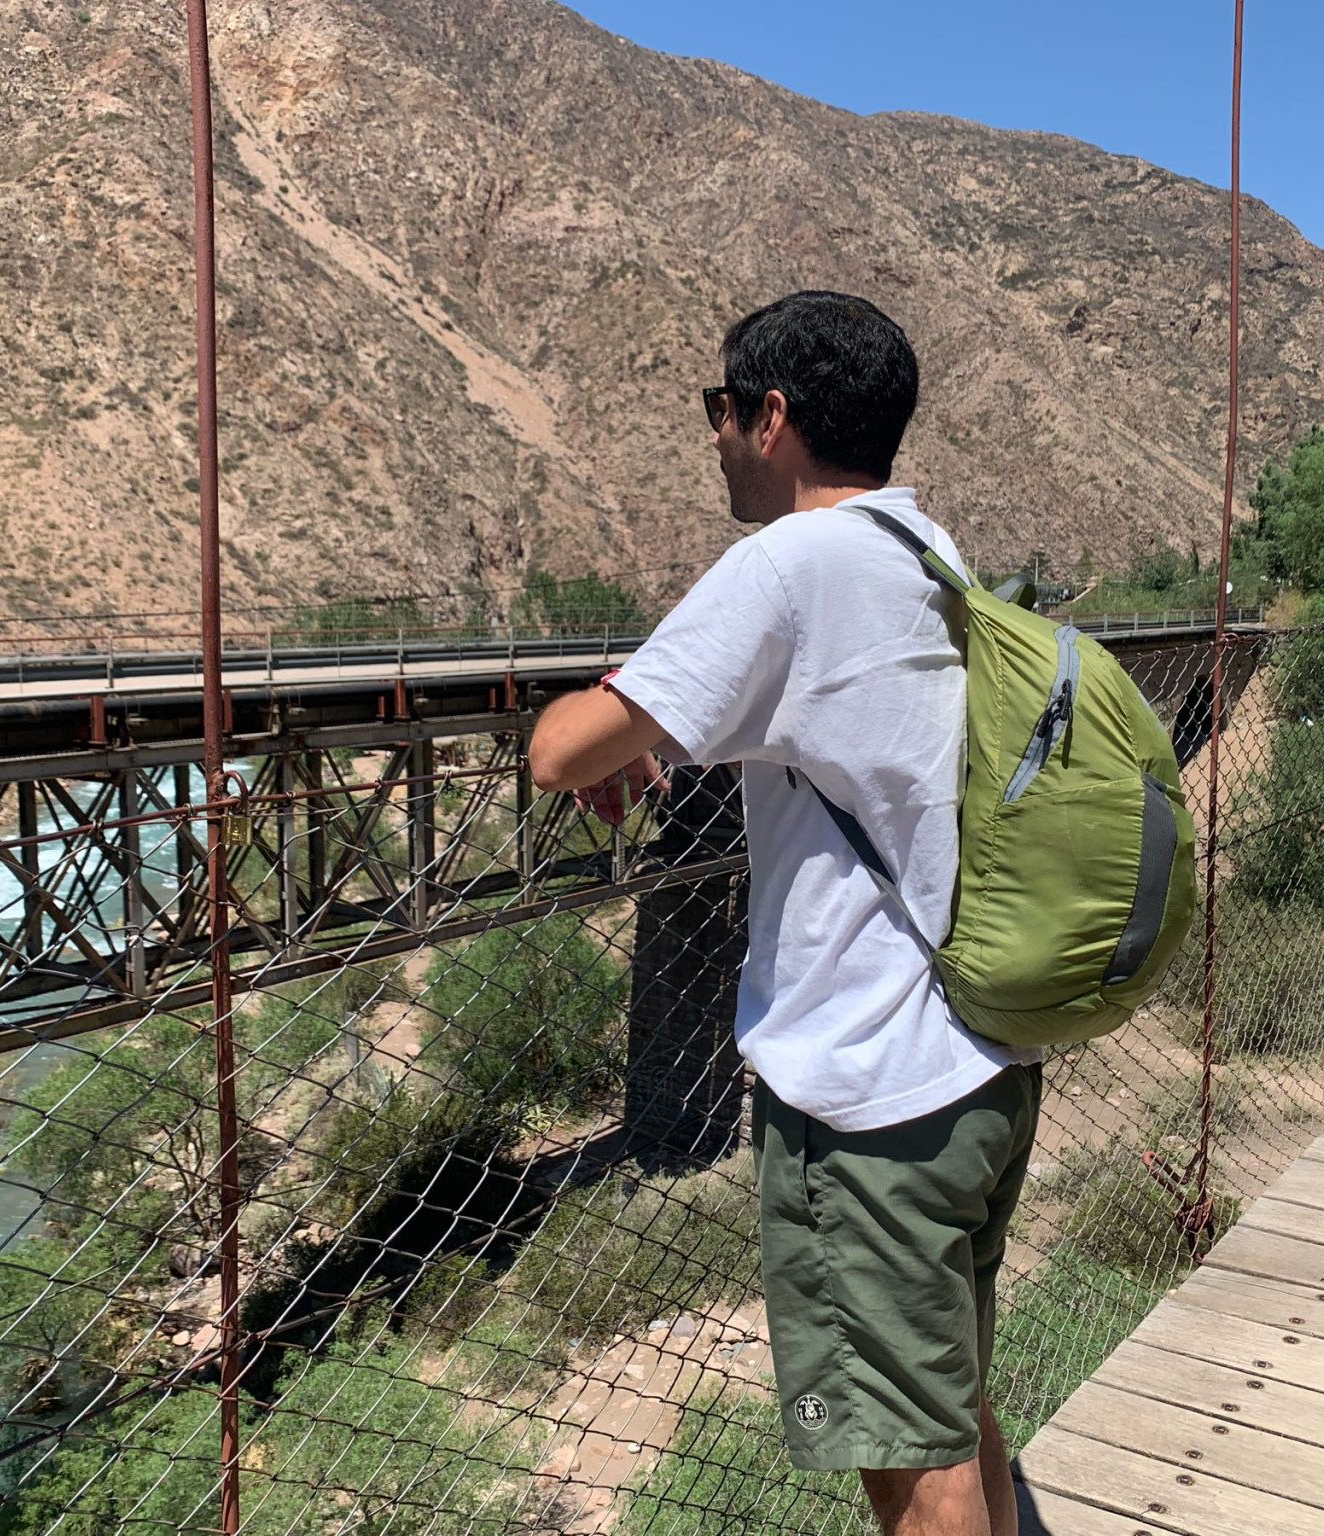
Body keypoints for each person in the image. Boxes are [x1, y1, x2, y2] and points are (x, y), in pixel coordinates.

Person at [529, 290, 1041, 1536]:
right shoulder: (926, 551)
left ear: (770, 417)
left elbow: (560, 752)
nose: (711, 436)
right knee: (949, 1403)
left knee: (905, 1466)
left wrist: (611, 710)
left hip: (866, 1096)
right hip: (979, 1061)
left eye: (717, 408)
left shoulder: (786, 565)